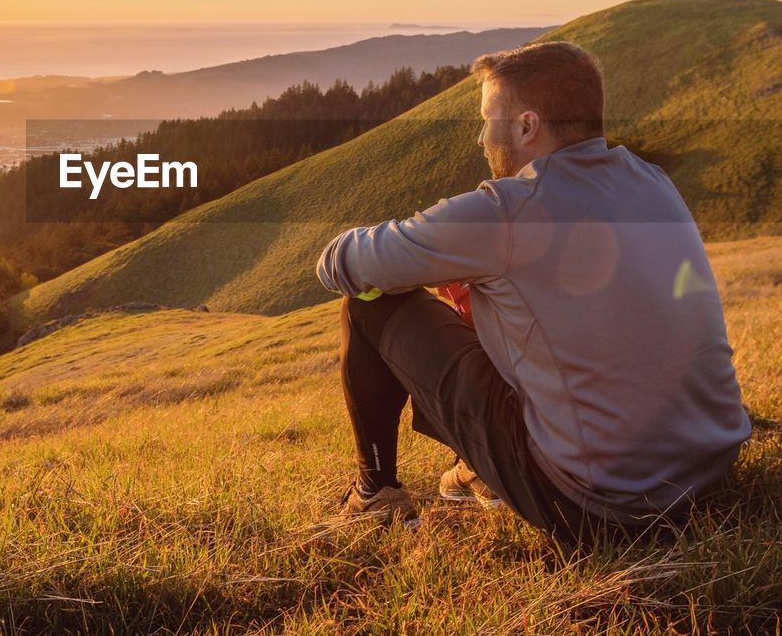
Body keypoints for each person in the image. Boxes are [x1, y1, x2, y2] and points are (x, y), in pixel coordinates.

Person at [315, 41, 752, 544]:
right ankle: (477, 469)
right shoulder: (652, 182)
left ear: (526, 126)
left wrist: (424, 255)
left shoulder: (508, 211)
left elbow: (341, 265)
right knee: (502, 308)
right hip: (711, 466)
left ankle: (375, 497)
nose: (481, 139)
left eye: (487, 120)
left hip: (598, 504)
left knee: (370, 301)